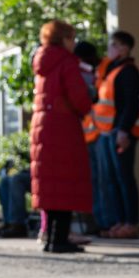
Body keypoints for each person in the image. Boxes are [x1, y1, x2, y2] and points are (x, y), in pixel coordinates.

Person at [31, 20, 94, 254]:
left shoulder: (42, 63)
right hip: (63, 126)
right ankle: (59, 239)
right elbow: (78, 97)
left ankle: (51, 238)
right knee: (66, 181)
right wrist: (88, 102)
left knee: (51, 184)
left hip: (42, 126)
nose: (74, 43)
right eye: (72, 38)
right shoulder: (66, 62)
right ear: (63, 39)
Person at [93, 30, 139, 238]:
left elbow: (131, 104)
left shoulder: (128, 71)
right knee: (112, 179)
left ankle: (131, 222)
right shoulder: (111, 70)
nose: (110, 49)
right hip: (107, 133)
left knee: (124, 178)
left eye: (114, 45)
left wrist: (124, 131)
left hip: (120, 133)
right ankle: (119, 221)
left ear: (124, 48)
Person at [73, 40, 117, 238]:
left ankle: (106, 222)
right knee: (93, 181)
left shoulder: (106, 69)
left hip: (101, 133)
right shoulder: (95, 71)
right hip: (88, 133)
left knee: (103, 181)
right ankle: (97, 221)